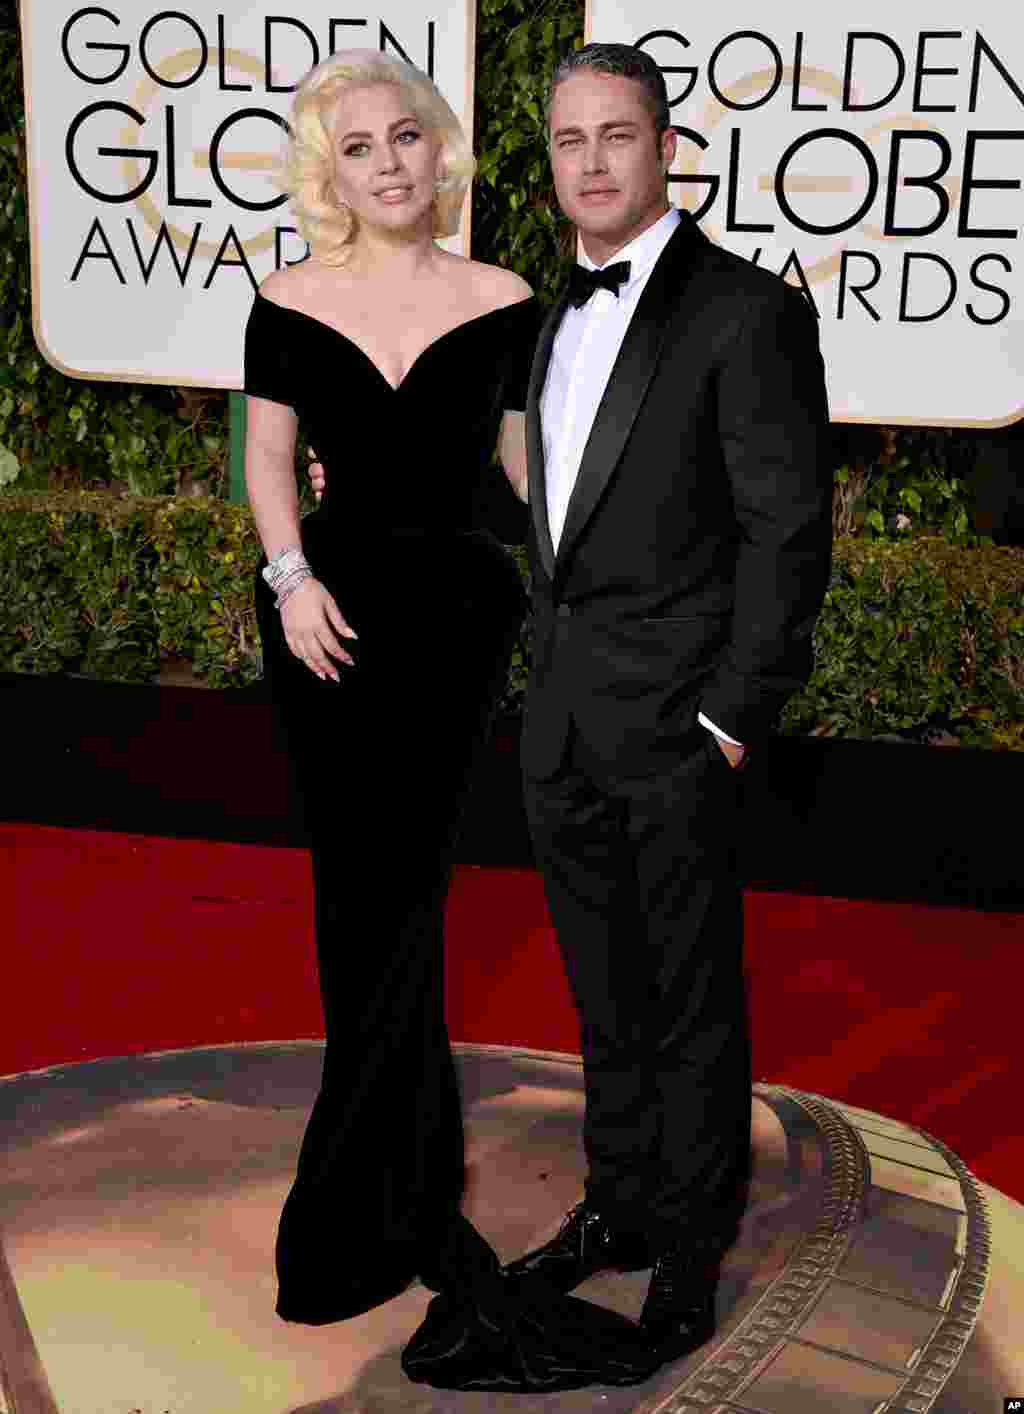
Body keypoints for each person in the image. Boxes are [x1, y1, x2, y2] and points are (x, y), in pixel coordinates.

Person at [244, 48, 660, 1392]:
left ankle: (371, 1213)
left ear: (442, 151)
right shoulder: (287, 297)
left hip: (457, 624)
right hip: (329, 617)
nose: (389, 166)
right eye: (358, 149)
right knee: (354, 903)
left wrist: (591, 574)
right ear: (333, 174)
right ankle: (390, 1199)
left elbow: (525, 460)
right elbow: (266, 460)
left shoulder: (505, 297)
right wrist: (290, 574)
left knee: (406, 898)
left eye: (406, 139)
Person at [499, 43, 835, 1364]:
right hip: (565, 721)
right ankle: (621, 1203)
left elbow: (786, 536)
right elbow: (563, 522)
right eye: (569, 139)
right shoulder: (550, 312)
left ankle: (691, 1250)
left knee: (691, 1000)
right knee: (601, 992)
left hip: (679, 730)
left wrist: (729, 716)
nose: (590, 162)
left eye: (615, 137)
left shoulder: (744, 313)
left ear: (666, 147)